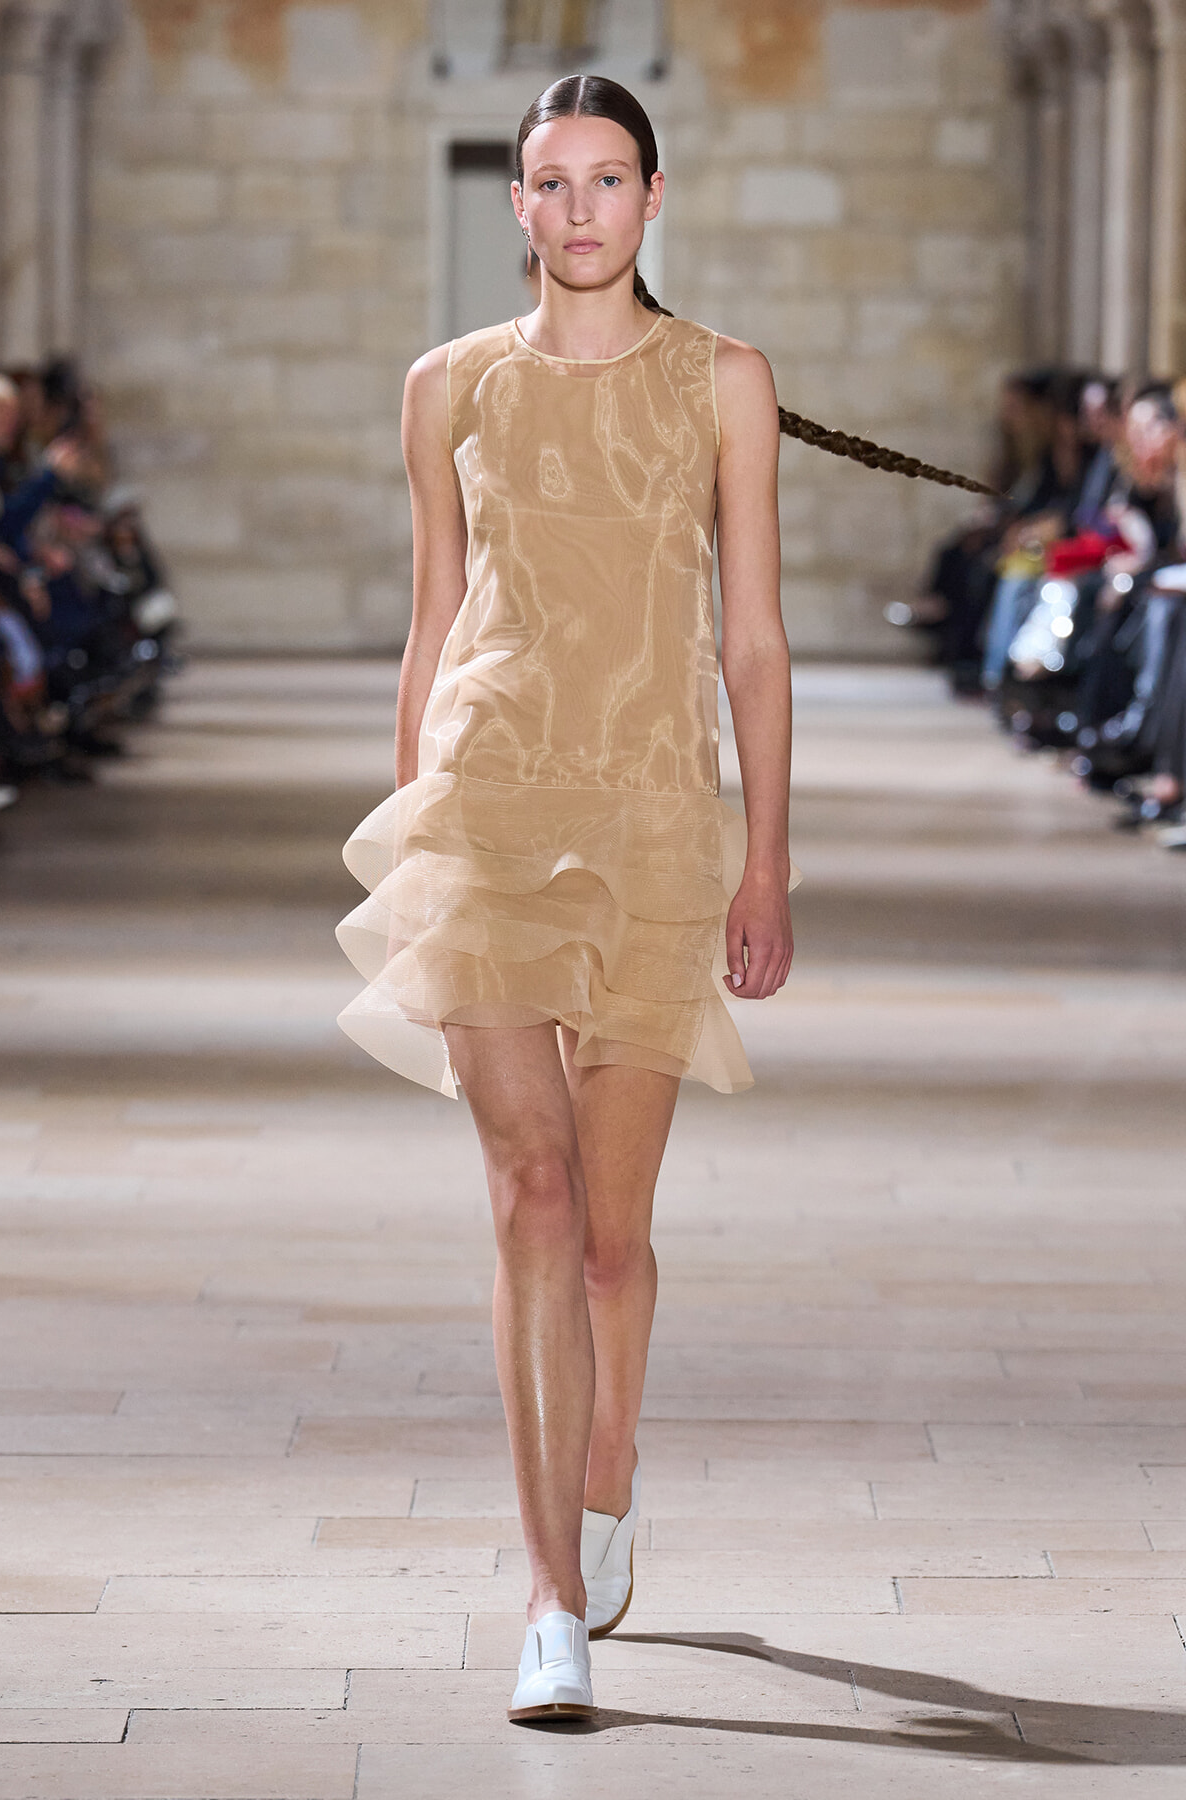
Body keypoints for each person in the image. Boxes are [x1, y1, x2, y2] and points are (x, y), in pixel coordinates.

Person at [336, 75, 994, 1726]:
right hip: (489, 810)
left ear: (652, 196)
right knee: (532, 1198)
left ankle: (609, 1462)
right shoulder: (446, 387)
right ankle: (549, 1595)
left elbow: (752, 641)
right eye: (551, 182)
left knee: (613, 1240)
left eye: (608, 178)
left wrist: (766, 856)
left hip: (650, 819)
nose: (579, 210)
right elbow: (433, 621)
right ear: (514, 203)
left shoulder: (725, 381)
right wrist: (410, 837)